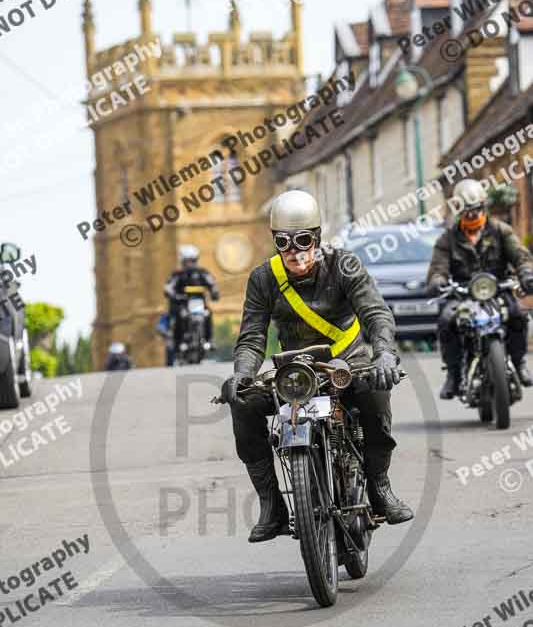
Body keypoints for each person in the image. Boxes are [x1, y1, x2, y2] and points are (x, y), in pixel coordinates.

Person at [219, 189, 413, 543]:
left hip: (349, 364)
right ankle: (272, 507)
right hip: (295, 372)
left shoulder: (344, 265)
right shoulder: (263, 279)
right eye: (284, 242)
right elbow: (251, 338)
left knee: (375, 392)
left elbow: (376, 313)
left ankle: (380, 488)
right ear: (275, 241)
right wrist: (241, 374)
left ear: (318, 238)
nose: (294, 252)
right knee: (242, 402)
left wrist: (384, 354)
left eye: (303, 240)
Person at [427, 179, 533, 399]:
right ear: (459, 211)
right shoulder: (447, 238)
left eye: (476, 210)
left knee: (519, 315)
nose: (472, 215)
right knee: (447, 320)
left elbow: (520, 256)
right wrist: (438, 281)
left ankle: (519, 361)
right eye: (467, 211)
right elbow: (438, 267)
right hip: (462, 293)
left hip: (498, 289)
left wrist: (526, 274)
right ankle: (454, 375)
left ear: (483, 207)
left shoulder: (501, 230)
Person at [164, 245, 219, 363]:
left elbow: (212, 283)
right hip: (183, 304)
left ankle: (210, 340)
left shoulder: (202, 273)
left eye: (192, 260)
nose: (190, 264)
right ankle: (179, 342)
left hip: (200, 304)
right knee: (179, 316)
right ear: (183, 261)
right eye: (188, 261)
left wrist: (214, 292)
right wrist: (173, 295)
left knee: (208, 313)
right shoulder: (177, 275)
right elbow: (169, 287)